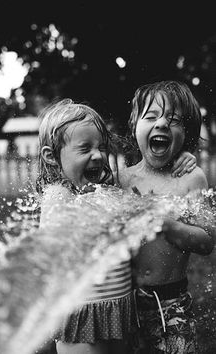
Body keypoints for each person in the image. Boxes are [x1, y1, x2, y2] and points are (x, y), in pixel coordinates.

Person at [36, 97, 197, 354]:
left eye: (101, 146)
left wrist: (181, 155)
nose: (98, 155)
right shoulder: (58, 195)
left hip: (114, 308)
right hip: (84, 313)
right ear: (51, 156)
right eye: (85, 148)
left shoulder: (99, 189)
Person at [119, 80, 215, 353]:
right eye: (150, 117)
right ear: (135, 125)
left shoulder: (190, 178)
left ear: (186, 134)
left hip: (171, 303)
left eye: (173, 121)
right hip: (126, 302)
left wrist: (166, 224)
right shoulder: (122, 179)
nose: (161, 124)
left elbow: (206, 241)